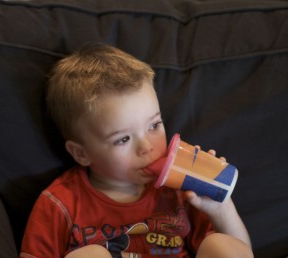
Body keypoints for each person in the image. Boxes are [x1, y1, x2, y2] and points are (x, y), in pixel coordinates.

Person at [19, 43, 253, 258]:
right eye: (123, 139)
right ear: (81, 153)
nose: (147, 147)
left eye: (153, 126)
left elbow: (241, 251)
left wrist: (220, 207)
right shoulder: (60, 203)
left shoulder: (182, 191)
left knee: (223, 246)